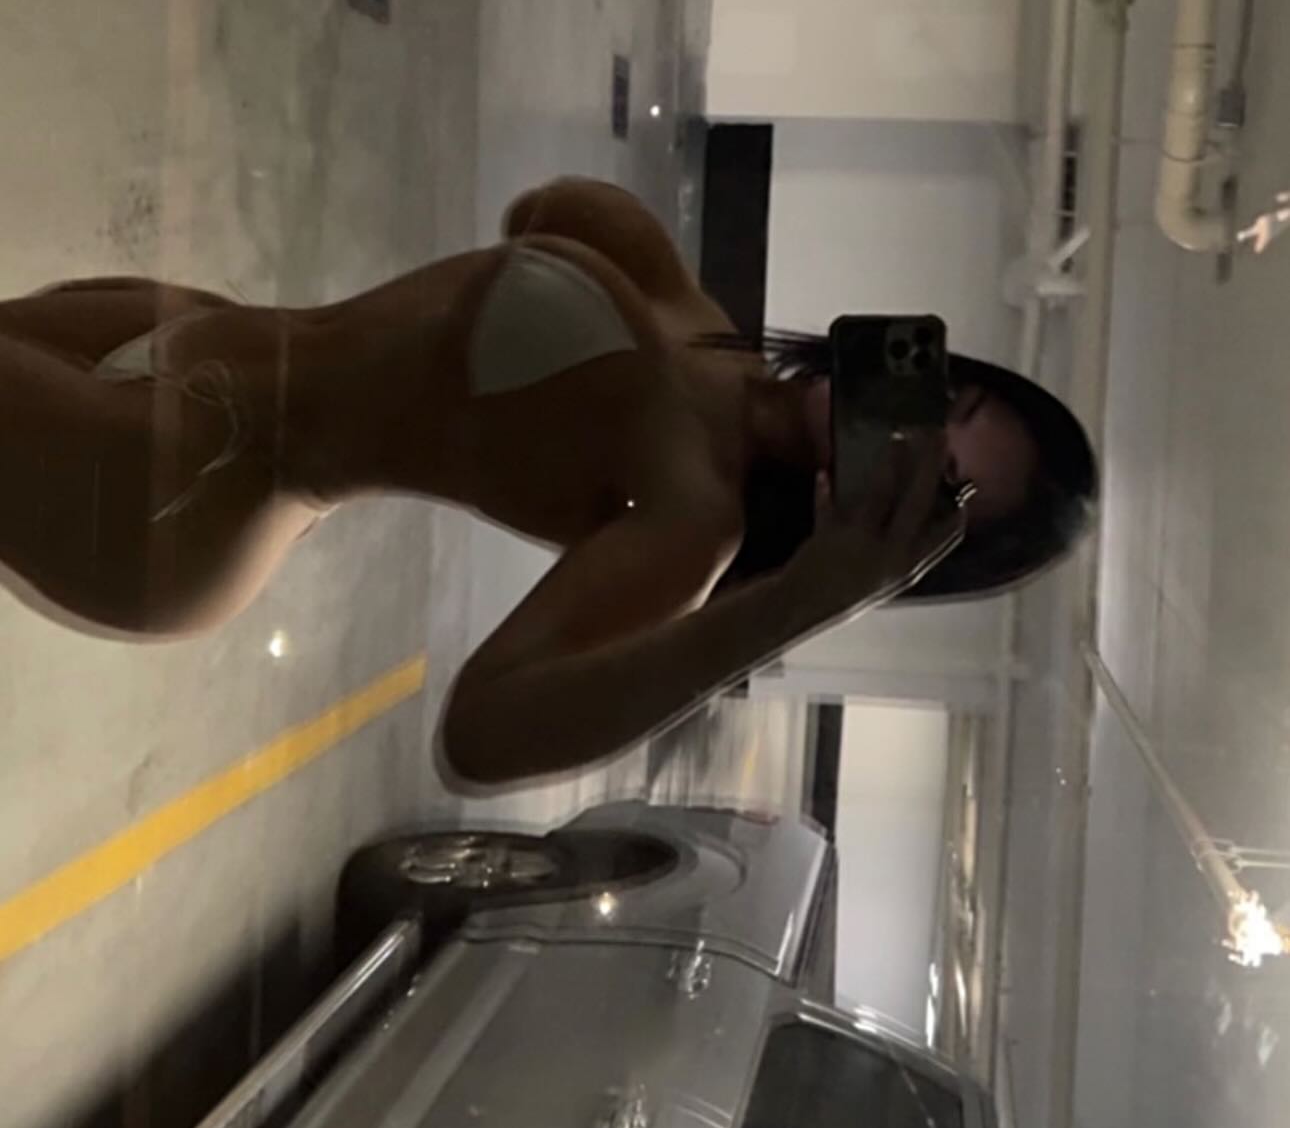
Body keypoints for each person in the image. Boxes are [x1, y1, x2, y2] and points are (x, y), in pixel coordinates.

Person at [0, 179, 1097, 783]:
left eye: (934, 474)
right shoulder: (701, 325)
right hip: (189, 337)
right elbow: (544, 211)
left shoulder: (690, 520)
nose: (905, 432)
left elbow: (481, 735)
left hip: (190, 486)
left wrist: (800, 601)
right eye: (947, 402)